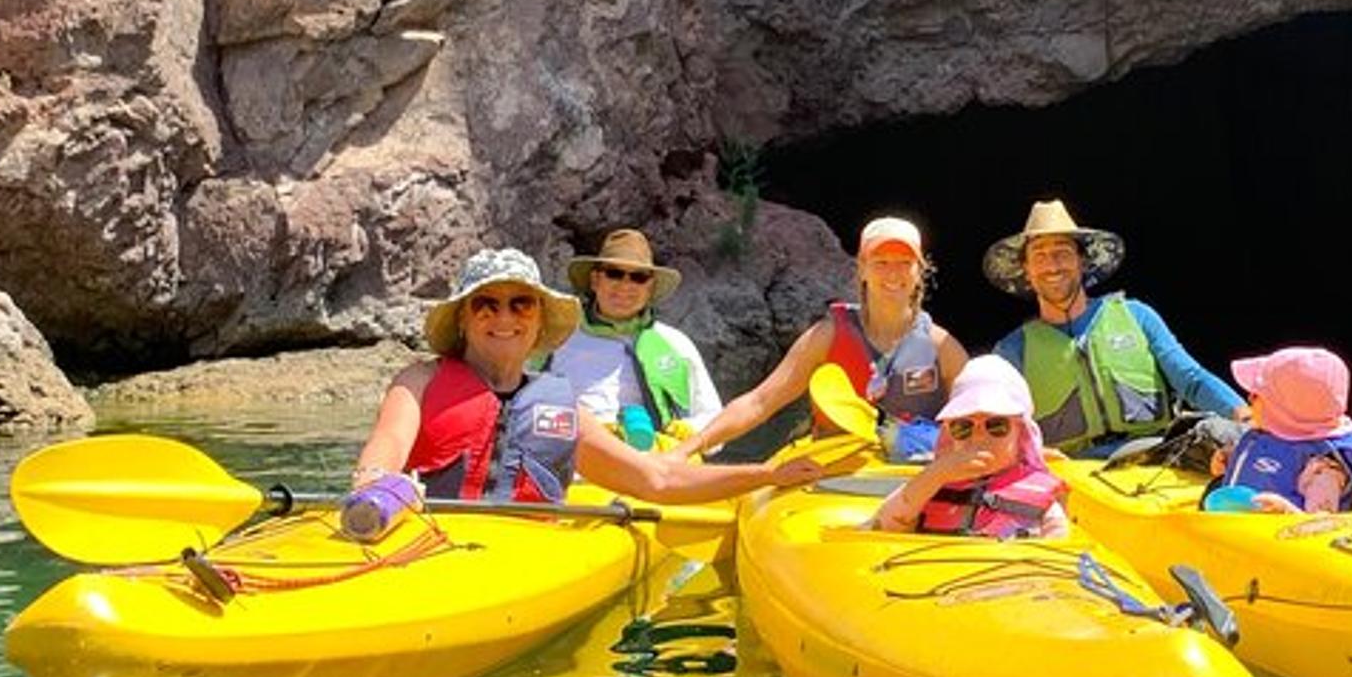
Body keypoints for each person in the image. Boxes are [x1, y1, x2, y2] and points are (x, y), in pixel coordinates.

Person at [353, 248, 821, 505]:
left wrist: (768, 474)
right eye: (486, 304)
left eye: (520, 304)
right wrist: (373, 490)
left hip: (529, 557)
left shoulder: (562, 408)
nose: (504, 318)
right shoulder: (418, 382)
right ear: (462, 318)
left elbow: (656, 480)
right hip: (431, 540)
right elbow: (384, 452)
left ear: (538, 321)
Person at [672, 216, 967, 459]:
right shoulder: (826, 337)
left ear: (919, 271)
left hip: (910, 475)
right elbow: (760, 402)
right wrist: (687, 449)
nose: (893, 273)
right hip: (838, 473)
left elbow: (985, 420)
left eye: (904, 262)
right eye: (881, 262)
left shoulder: (942, 347)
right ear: (862, 269)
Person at [986, 199, 1249, 458]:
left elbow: (1191, 380)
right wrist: (1032, 455)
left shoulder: (1137, 315)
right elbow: (996, 425)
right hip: (1069, 473)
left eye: (1062, 253)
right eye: (1039, 256)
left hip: (1154, 458)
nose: (1052, 266)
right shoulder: (1011, 350)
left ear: (1082, 261)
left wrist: (1243, 415)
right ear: (1026, 270)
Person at [547, 228, 722, 443]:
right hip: (574, 467)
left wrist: (689, 430)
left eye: (638, 277)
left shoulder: (676, 344)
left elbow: (714, 419)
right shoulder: (556, 338)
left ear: (649, 288)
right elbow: (526, 410)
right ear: (595, 280)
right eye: (614, 273)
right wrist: (592, 434)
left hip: (655, 463)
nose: (625, 286)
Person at [874, 355, 1070, 538]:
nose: (978, 436)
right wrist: (933, 476)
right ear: (949, 436)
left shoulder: (1044, 498)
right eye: (963, 427)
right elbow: (883, 527)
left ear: (1022, 436)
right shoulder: (930, 487)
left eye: (996, 425)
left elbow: (1060, 550)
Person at [1209, 346, 1352, 513]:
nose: (1249, 400)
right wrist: (1233, 457)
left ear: (1286, 413)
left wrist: (1287, 511)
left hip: (1277, 543)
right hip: (1232, 528)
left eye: (1257, 395)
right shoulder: (1265, 435)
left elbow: (1321, 523)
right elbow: (1263, 465)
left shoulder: (1322, 467)